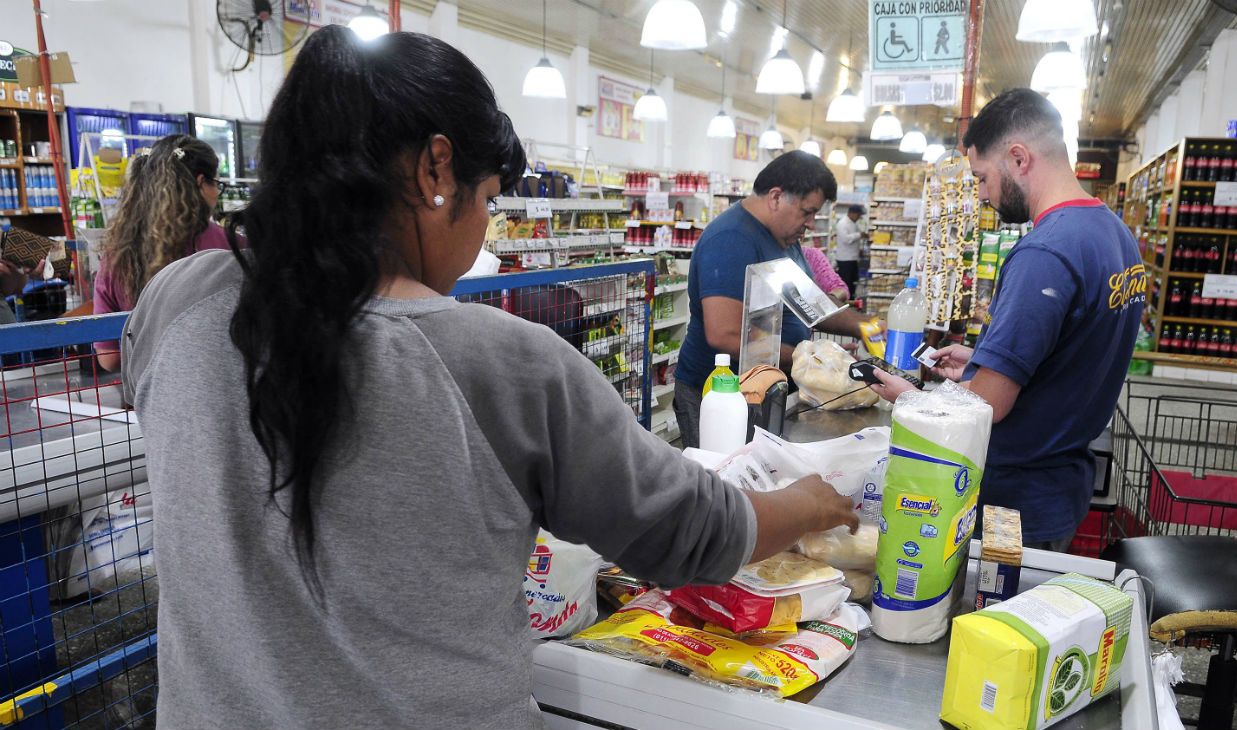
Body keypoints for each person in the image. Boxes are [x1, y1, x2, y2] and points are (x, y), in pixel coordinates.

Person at [119, 28, 855, 729]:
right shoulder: (505, 364)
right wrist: (809, 502)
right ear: (437, 169)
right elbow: (695, 533)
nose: (484, 230)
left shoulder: (178, 303)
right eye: (489, 199)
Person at [867, 88, 1144, 551]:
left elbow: (990, 405)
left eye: (981, 177)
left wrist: (911, 399)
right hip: (1063, 482)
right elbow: (1072, 352)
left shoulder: (1043, 252)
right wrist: (986, 360)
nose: (982, 195)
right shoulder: (1113, 232)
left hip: (1016, 501)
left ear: (1018, 158)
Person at [673, 152, 867, 449]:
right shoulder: (730, 240)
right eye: (806, 212)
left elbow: (809, 304)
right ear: (776, 197)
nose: (811, 224)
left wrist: (865, 327)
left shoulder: (782, 239)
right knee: (722, 487)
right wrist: (809, 359)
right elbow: (724, 334)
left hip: (762, 389)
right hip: (719, 396)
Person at [93, 134, 243, 370]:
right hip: (221, 390)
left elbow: (109, 358)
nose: (217, 193)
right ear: (201, 183)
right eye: (216, 184)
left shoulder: (116, 255)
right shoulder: (233, 246)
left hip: (146, 400)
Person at [834, 204, 866, 295]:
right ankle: (845, 302)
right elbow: (846, 239)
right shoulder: (842, 224)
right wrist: (859, 235)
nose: (859, 217)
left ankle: (851, 301)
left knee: (853, 283)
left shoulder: (853, 224)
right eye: (858, 215)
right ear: (852, 213)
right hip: (845, 260)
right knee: (846, 283)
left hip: (853, 259)